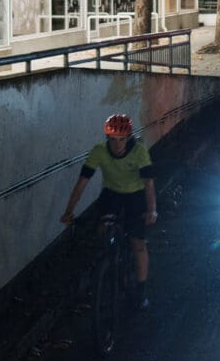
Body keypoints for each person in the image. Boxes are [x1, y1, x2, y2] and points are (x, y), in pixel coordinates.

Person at [61, 113, 157, 310]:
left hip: (135, 196)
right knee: (102, 230)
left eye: (121, 139)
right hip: (111, 194)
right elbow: (81, 184)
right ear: (107, 139)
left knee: (137, 243)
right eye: (113, 140)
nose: (117, 145)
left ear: (128, 137)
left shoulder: (139, 152)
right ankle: (104, 269)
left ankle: (140, 292)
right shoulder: (99, 152)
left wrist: (151, 210)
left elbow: (148, 184)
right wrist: (69, 211)